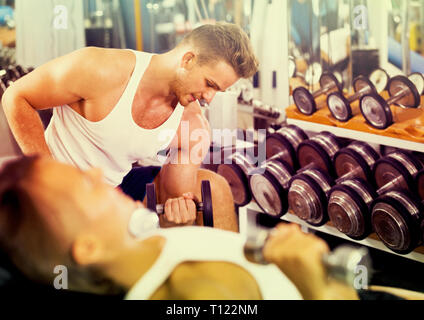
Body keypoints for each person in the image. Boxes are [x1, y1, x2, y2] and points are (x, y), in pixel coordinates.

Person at [1, 156, 423, 300]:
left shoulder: (140, 246)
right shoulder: (193, 294)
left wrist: (169, 227)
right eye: (84, 186)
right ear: (88, 248)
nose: (96, 172)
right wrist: (321, 289)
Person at [1, 22, 258, 231]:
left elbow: (173, 197)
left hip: (113, 190)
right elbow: (16, 97)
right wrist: (49, 177)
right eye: (210, 84)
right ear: (188, 60)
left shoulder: (192, 124)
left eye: (218, 91)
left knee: (216, 188)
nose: (209, 98)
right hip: (61, 188)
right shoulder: (100, 69)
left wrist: (177, 215)